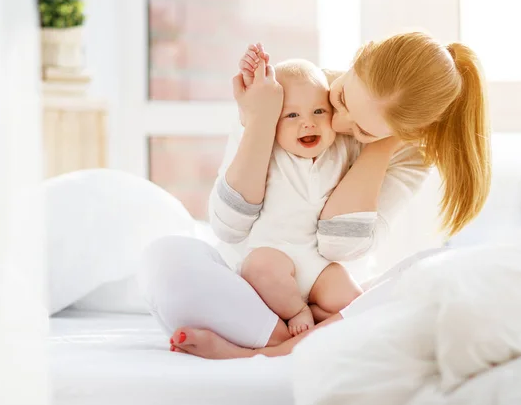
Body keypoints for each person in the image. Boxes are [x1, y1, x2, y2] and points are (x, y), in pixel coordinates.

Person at [138, 31, 491, 359]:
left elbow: (338, 244)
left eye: (363, 129)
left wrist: (382, 146)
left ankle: (267, 352)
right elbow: (228, 225)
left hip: (333, 296)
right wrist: (261, 119)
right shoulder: (292, 90)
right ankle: (292, 339)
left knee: (431, 269)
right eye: (340, 99)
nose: (337, 124)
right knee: (164, 256)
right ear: (357, 59)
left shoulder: (410, 154)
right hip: (246, 291)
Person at [231, 54, 363, 337]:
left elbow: (361, 125)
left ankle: (312, 312)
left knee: (354, 301)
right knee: (258, 269)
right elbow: (251, 118)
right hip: (274, 253)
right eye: (291, 115)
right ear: (274, 123)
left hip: (316, 262)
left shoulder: (341, 148)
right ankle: (297, 311)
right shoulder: (271, 148)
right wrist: (255, 81)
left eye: (319, 111)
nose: (308, 123)